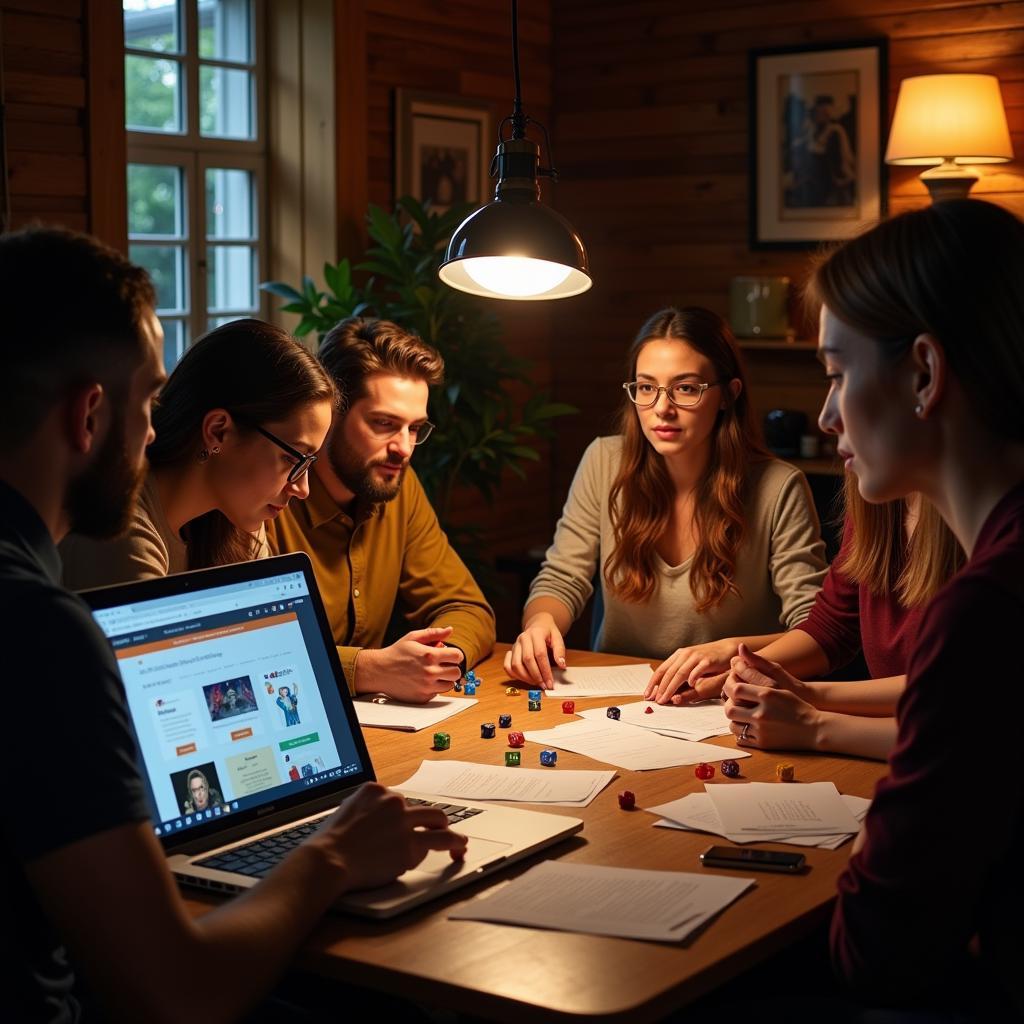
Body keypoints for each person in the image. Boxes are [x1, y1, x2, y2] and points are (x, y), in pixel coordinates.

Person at [0, 227, 466, 1023]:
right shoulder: (39, 629)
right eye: (147, 401)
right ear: (89, 414)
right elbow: (176, 992)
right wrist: (330, 854)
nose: (153, 431)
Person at [736, 200, 1024, 1016]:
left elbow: (877, 948)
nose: (826, 416)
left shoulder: (987, 610)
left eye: (835, 373)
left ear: (925, 375)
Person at [506, 306, 827, 688]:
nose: (662, 408)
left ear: (728, 395)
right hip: (617, 703)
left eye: (686, 388)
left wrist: (730, 651)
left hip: (727, 702)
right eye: (646, 387)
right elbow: (562, 578)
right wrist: (540, 625)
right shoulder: (603, 460)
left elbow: (816, 634)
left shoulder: (779, 487)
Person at [266, 316, 496, 703]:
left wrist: (437, 659)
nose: (404, 448)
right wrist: (372, 669)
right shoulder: (268, 497)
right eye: (384, 424)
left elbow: (466, 607)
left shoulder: (396, 485)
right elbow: (251, 649)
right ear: (330, 412)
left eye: (414, 428)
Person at [59, 318, 337, 589]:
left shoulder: (235, 518)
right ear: (218, 431)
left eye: (309, 463)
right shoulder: (122, 535)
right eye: (293, 458)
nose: (303, 489)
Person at [707, 484, 963, 760]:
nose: (830, 437)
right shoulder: (876, 500)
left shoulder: (996, 525)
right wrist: (741, 671)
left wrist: (813, 714)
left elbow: (964, 702)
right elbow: (832, 625)